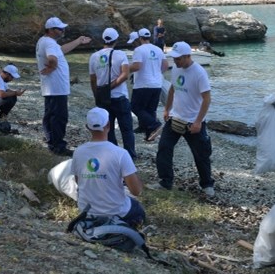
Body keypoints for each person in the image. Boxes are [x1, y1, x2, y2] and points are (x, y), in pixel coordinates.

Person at [149, 42, 214, 197]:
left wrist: (198, 121)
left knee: (201, 155)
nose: (176, 61)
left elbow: (206, 98)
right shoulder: (176, 69)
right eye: (174, 58)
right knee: (164, 148)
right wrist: (167, 109)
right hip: (175, 118)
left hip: (193, 121)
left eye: (179, 59)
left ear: (187, 56)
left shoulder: (199, 73)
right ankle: (165, 182)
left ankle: (207, 185)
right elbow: (172, 89)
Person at [72, 107, 145, 228]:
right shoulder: (120, 153)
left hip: (87, 212)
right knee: (136, 207)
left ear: (87, 127)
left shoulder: (78, 152)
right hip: (116, 212)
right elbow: (136, 191)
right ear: (109, 125)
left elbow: (79, 182)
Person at [36, 16, 92, 157]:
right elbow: (53, 58)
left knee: (50, 116)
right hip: (56, 88)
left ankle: (52, 143)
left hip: (52, 87)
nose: (63, 30)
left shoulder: (46, 41)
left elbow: (61, 50)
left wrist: (78, 41)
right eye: (60, 29)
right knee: (59, 117)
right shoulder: (49, 43)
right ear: (50, 30)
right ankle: (58, 146)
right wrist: (51, 67)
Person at [90, 27, 136, 159]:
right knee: (126, 130)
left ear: (103, 39)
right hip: (120, 97)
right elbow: (125, 75)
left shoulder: (94, 57)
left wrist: (97, 96)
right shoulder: (120, 55)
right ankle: (130, 156)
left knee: (107, 129)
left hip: (103, 100)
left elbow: (93, 80)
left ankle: (112, 155)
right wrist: (110, 87)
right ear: (116, 40)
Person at [130, 28, 169, 142]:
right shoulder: (157, 49)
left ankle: (155, 125)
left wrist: (124, 68)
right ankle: (149, 135)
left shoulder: (139, 50)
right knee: (150, 109)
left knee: (135, 107)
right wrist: (156, 73)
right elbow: (165, 65)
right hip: (156, 83)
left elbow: (137, 66)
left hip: (143, 84)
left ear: (140, 38)